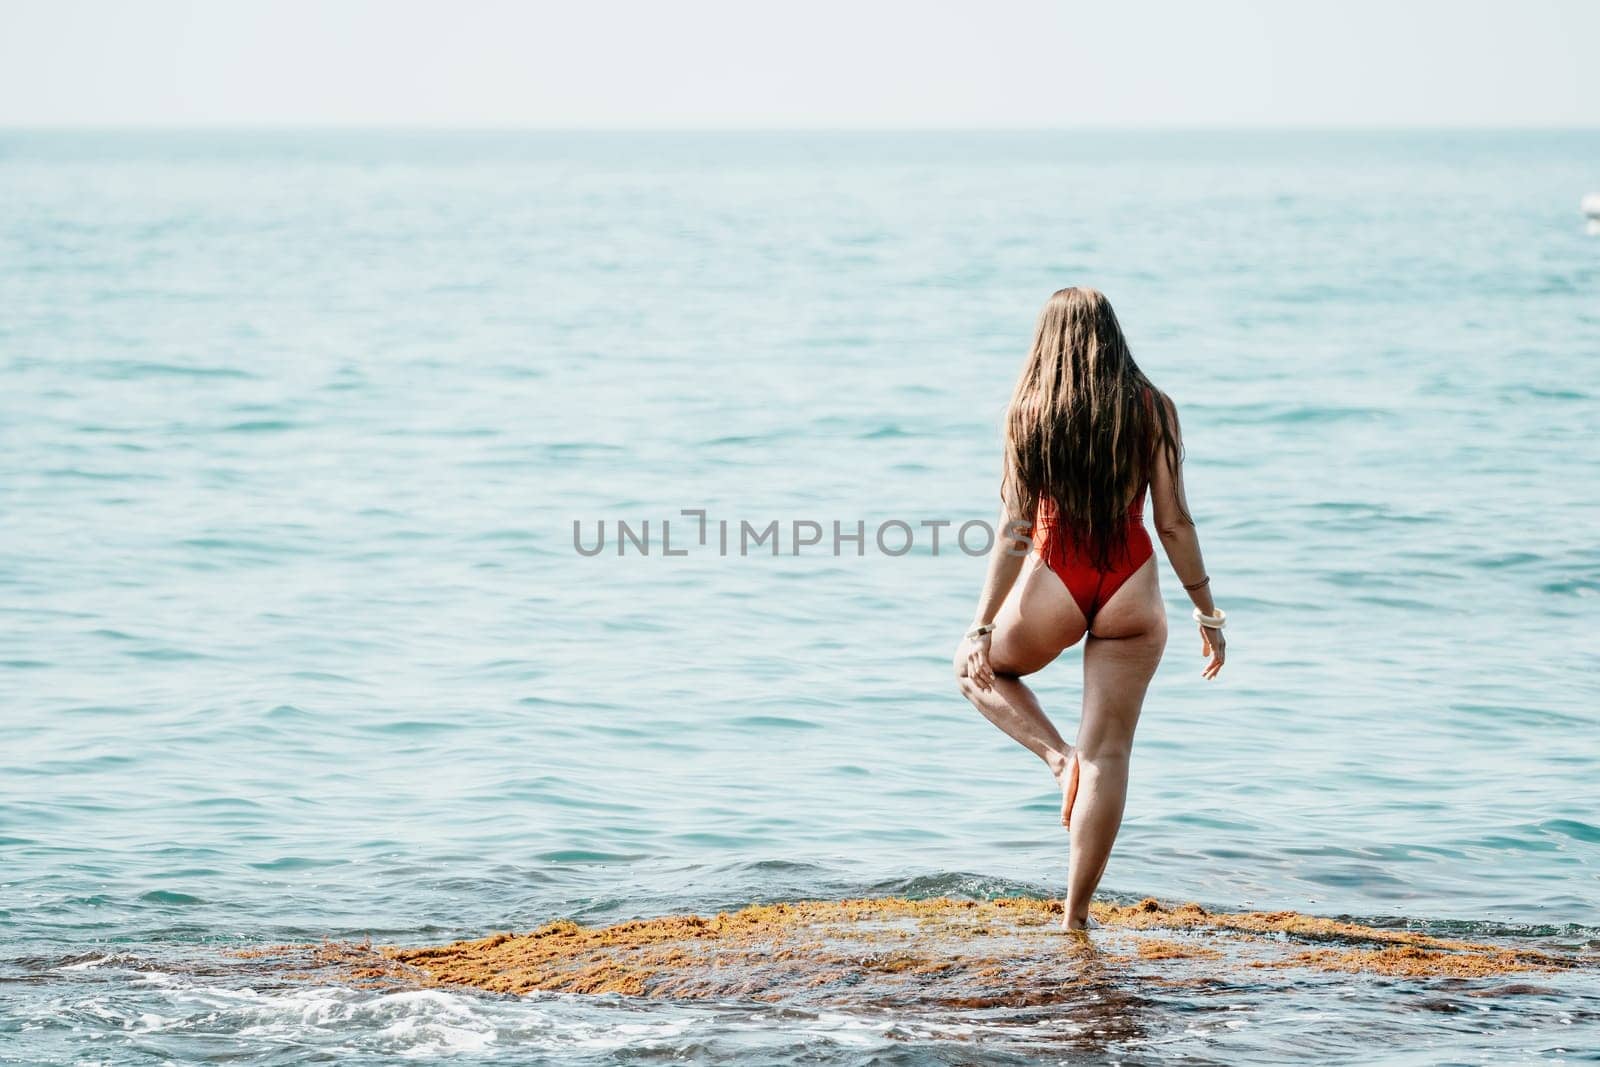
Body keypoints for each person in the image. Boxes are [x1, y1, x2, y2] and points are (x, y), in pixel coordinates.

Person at [953, 286, 1226, 932]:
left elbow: (1017, 526)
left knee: (972, 669)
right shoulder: (1153, 408)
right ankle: (1076, 918)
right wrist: (1207, 612)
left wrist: (981, 624)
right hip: (1131, 580)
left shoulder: (1030, 410)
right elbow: (1174, 522)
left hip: (1055, 578)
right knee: (1110, 752)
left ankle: (1056, 759)